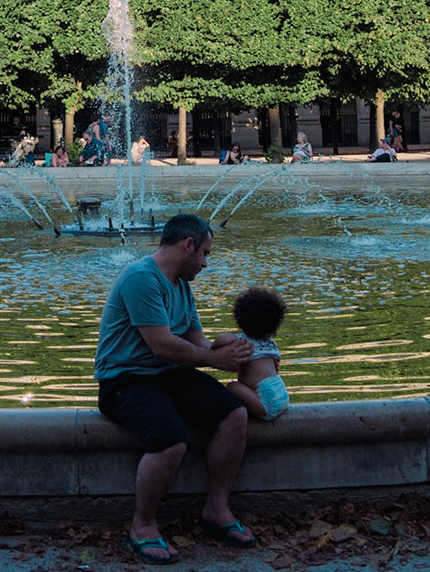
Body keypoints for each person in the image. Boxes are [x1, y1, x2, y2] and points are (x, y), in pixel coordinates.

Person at [94, 215, 253, 564]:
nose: (206, 263)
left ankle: (216, 509)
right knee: (170, 439)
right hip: (125, 380)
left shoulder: (180, 285)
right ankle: (142, 526)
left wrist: (232, 352)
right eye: (205, 253)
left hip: (169, 374)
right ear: (188, 245)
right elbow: (163, 345)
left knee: (234, 415)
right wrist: (215, 360)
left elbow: (196, 341)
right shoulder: (141, 278)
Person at [222, 287, 288, 422]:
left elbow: (220, 341)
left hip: (265, 404)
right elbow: (276, 367)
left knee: (232, 386)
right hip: (282, 395)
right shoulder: (271, 344)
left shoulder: (241, 341)